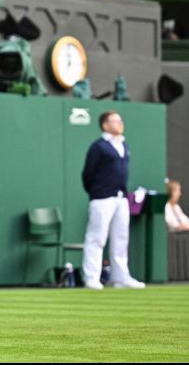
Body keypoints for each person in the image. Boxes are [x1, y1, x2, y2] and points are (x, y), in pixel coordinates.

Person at [81, 110, 146, 290]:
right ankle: (91, 278)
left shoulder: (124, 146)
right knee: (96, 238)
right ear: (105, 125)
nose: (119, 123)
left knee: (120, 239)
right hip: (102, 198)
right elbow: (87, 174)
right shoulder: (98, 147)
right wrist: (96, 192)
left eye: (120, 120)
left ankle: (120, 278)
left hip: (121, 198)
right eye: (114, 121)